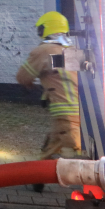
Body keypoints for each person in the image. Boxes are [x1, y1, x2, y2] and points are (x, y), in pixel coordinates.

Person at [16, 11, 80, 191]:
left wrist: (31, 85)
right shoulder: (72, 51)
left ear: (46, 29)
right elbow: (65, 78)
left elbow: (22, 77)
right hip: (87, 112)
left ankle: (40, 177)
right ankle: (39, 178)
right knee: (53, 143)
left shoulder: (43, 51)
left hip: (65, 113)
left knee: (62, 147)